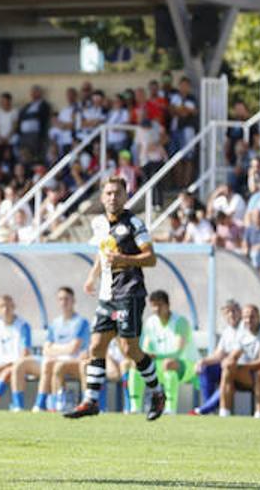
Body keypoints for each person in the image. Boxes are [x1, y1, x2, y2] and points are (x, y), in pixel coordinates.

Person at [66, 176, 165, 420]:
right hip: (107, 294)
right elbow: (103, 252)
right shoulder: (99, 223)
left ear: (125, 196)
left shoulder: (134, 223)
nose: (112, 197)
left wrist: (125, 260)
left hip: (129, 293)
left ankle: (157, 392)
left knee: (129, 349)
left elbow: (151, 258)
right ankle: (91, 401)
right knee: (96, 345)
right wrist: (92, 276)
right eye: (108, 193)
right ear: (102, 197)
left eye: (117, 193)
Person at [13, 285, 89, 412]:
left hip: (72, 362)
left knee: (50, 364)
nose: (63, 302)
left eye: (66, 299)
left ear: (73, 301)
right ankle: (18, 407)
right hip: (51, 360)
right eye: (60, 299)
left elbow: (73, 349)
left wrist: (55, 348)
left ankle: (41, 404)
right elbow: (46, 349)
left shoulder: (81, 322)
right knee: (20, 364)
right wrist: (59, 348)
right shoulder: (55, 323)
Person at [127, 290, 194, 414]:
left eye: (160, 305)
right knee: (135, 365)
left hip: (187, 366)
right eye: (153, 305)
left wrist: (157, 356)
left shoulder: (181, 322)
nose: (156, 309)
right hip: (161, 365)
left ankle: (170, 409)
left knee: (169, 363)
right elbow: (146, 349)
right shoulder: (150, 322)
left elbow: (178, 353)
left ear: (167, 305)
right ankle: (134, 408)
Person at [220, 303, 260, 417]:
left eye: (252, 317)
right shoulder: (242, 331)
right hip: (248, 372)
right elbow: (235, 353)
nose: (248, 320)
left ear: (259, 317)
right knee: (228, 369)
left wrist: (242, 367)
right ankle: (224, 411)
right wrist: (229, 361)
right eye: (245, 317)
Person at [192, 300, 241, 415]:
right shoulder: (227, 331)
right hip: (226, 366)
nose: (231, 314)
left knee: (227, 371)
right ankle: (210, 409)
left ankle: (204, 409)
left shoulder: (246, 327)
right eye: (227, 312)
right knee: (205, 368)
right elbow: (219, 354)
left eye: (233, 311)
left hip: (242, 367)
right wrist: (202, 361)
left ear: (239, 312)